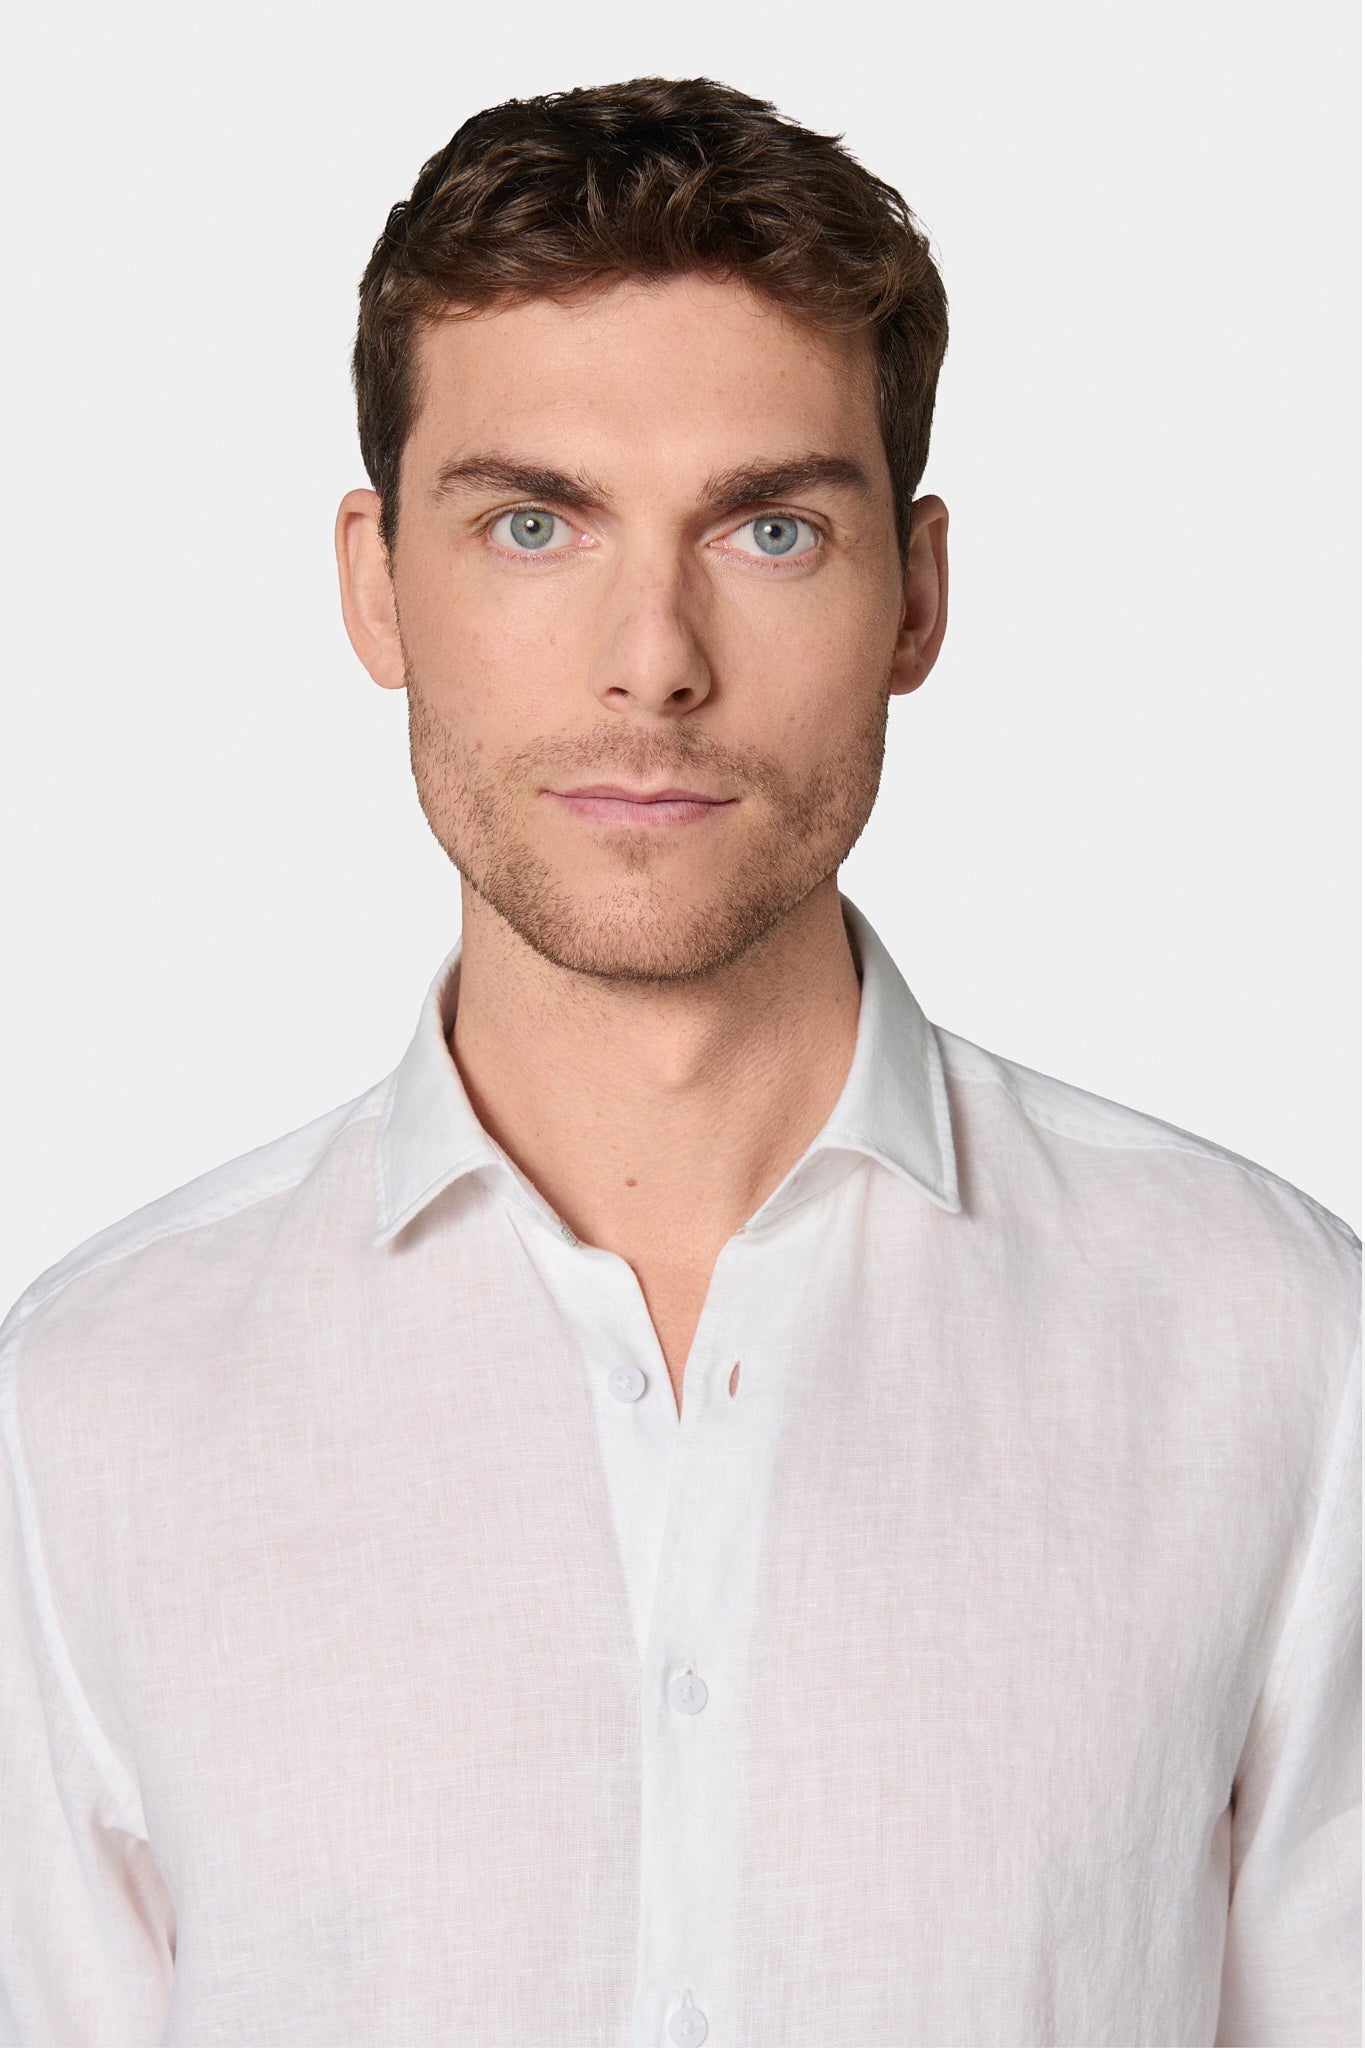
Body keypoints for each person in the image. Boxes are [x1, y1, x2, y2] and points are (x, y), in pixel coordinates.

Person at [0, 75, 1358, 2048]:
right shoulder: (85, 1408)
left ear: (917, 596)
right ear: (376, 584)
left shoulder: (1274, 1347)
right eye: (532, 523)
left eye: (770, 528)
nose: (652, 657)